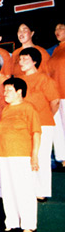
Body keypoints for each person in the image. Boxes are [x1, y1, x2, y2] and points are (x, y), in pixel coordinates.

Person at [0, 78, 41, 232]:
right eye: (4, 90)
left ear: (19, 92)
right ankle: (12, 223)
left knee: (24, 190)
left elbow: (36, 132)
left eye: (9, 90)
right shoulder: (5, 109)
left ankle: (29, 225)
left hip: (22, 155)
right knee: (8, 190)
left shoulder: (28, 108)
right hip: (5, 155)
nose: (5, 93)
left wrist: (34, 156)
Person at [19, 47, 59, 201]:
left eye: (25, 59)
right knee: (28, 156)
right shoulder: (19, 80)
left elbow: (55, 102)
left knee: (41, 156)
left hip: (43, 123)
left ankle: (41, 191)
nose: (21, 62)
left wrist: (44, 116)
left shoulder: (44, 79)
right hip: (24, 125)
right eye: (20, 59)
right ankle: (30, 188)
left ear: (35, 61)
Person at [48, 22, 65, 166]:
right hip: (56, 94)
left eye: (61, 28)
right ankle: (63, 158)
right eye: (55, 29)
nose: (57, 31)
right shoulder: (55, 50)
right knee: (58, 127)